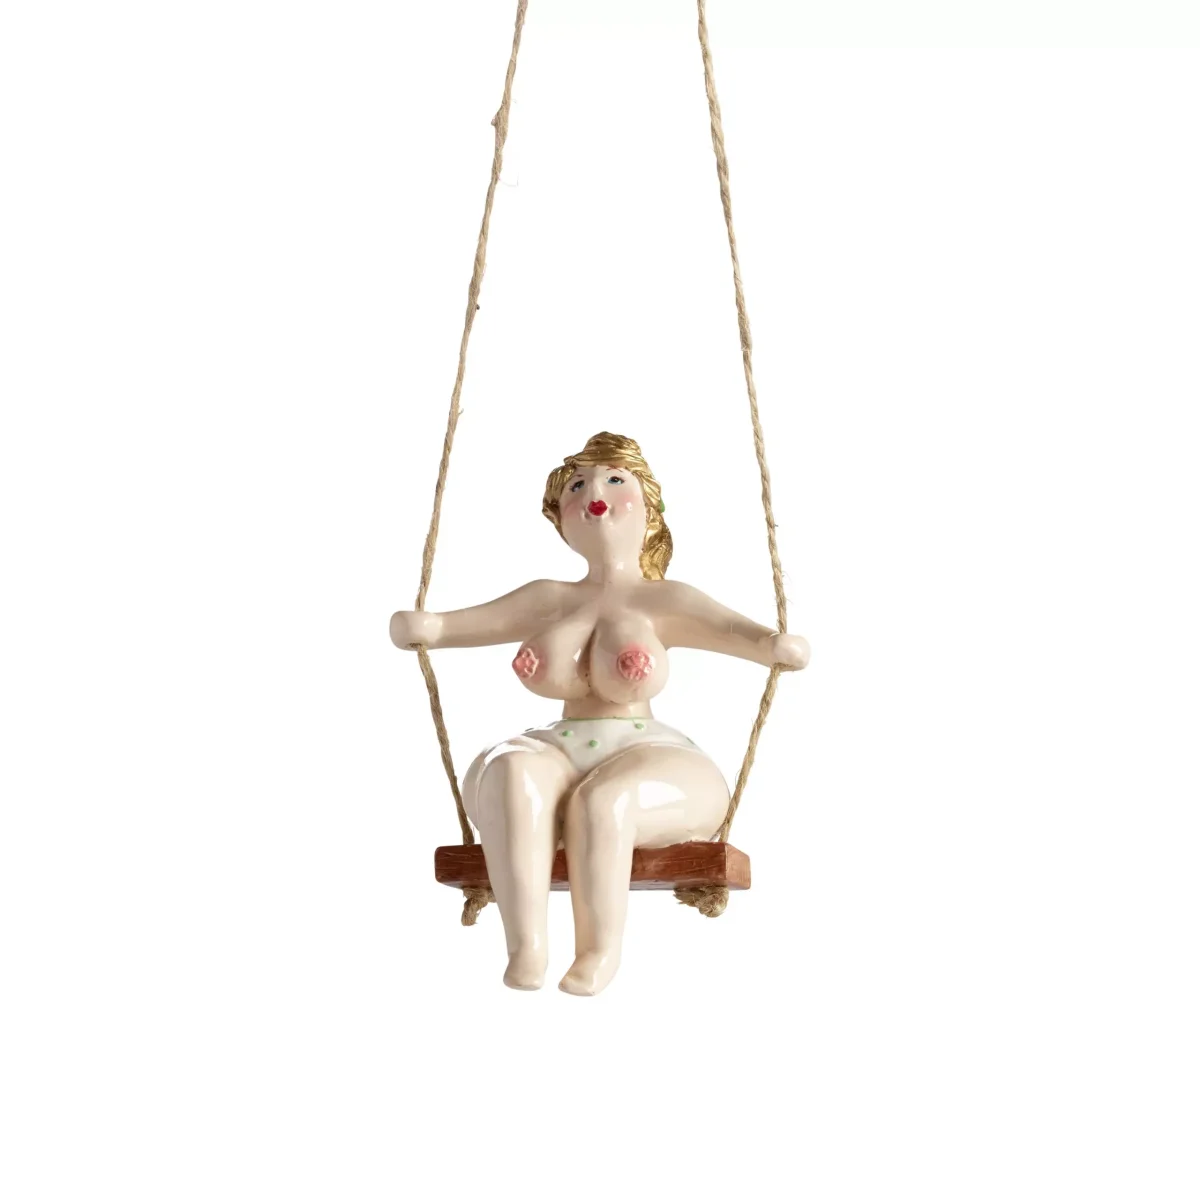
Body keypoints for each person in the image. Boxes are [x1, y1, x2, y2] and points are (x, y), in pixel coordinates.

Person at [391, 432, 808, 995]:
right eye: (577, 486)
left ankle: (598, 951)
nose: (595, 494)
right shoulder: (547, 599)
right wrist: (428, 628)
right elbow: (454, 626)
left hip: (648, 753)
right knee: (511, 771)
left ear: (651, 508)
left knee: (605, 801)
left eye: (615, 480)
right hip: (559, 746)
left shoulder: (666, 601)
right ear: (558, 516)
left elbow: (740, 634)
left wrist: (772, 646)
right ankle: (526, 947)